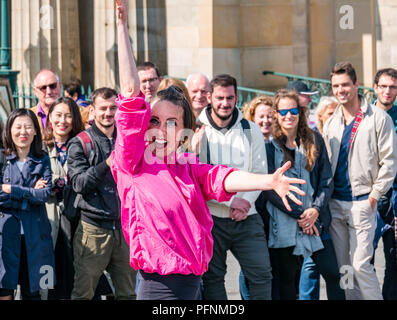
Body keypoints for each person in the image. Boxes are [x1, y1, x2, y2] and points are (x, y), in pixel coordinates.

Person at [111, 0, 306, 300]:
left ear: (184, 131)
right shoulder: (133, 163)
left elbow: (221, 177)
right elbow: (129, 94)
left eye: (172, 123)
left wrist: (268, 181)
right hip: (157, 288)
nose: (162, 130)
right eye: (154, 121)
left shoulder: (187, 167)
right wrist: (122, 27)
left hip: (191, 285)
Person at [259, 89, 344, 300]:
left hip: (316, 221)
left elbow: (326, 180)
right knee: (289, 282)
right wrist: (300, 215)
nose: (289, 115)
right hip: (285, 224)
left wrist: (314, 210)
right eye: (283, 111)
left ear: (301, 111)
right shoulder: (269, 146)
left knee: (333, 273)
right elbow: (269, 189)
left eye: (293, 110)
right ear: (276, 114)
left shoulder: (314, 139)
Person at [323, 61, 397, 300]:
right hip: (336, 205)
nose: (340, 90)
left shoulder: (377, 118)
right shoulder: (332, 121)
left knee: (361, 266)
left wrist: (374, 196)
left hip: (363, 203)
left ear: (356, 84)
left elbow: (390, 162)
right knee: (345, 269)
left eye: (345, 84)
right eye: (335, 85)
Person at [194, 73, 272, 300]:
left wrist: (245, 202)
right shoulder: (197, 130)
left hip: (247, 216)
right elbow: (195, 177)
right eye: (219, 98)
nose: (224, 103)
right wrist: (229, 201)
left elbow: (260, 172)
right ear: (209, 97)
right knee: (213, 279)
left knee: (261, 275)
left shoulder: (250, 129)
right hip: (212, 218)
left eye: (229, 98)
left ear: (236, 97)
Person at [67, 86, 136, 300]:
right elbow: (78, 184)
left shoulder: (128, 139)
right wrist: (107, 163)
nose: (108, 113)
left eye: (113, 108)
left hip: (125, 230)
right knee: (83, 294)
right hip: (93, 230)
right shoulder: (80, 143)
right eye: (103, 108)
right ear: (93, 111)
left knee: (128, 294)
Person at [0, 109, 54, 300]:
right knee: (4, 291)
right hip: (6, 236)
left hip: (35, 235)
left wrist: (13, 190)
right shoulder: (1, 159)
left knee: (34, 291)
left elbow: (44, 195)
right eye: (18, 127)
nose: (23, 132)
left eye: (28, 127)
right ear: (9, 130)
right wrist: (30, 190)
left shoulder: (43, 159)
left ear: (35, 132)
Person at [42, 97, 84, 299]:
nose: (63, 121)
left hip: (76, 219)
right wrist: (62, 182)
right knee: (49, 277)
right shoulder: (40, 147)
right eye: (58, 115)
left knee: (74, 275)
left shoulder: (84, 146)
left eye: (68, 115)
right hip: (49, 220)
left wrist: (56, 183)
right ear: (50, 118)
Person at [239, 95, 274, 299]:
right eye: (261, 116)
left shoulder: (278, 143)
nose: (266, 120)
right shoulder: (246, 141)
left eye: (270, 116)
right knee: (249, 266)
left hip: (273, 215)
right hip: (252, 210)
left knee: (265, 268)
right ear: (252, 117)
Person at [372, 67, 397, 300]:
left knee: (394, 259)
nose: (388, 91)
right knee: (363, 259)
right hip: (368, 197)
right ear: (375, 87)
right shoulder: (363, 116)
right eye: (384, 86)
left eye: (393, 87)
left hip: (394, 197)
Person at [31, 69, 62, 135]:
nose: (49, 92)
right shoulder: (29, 116)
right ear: (35, 91)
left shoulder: (78, 113)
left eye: (52, 86)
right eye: (43, 88)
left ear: (60, 86)